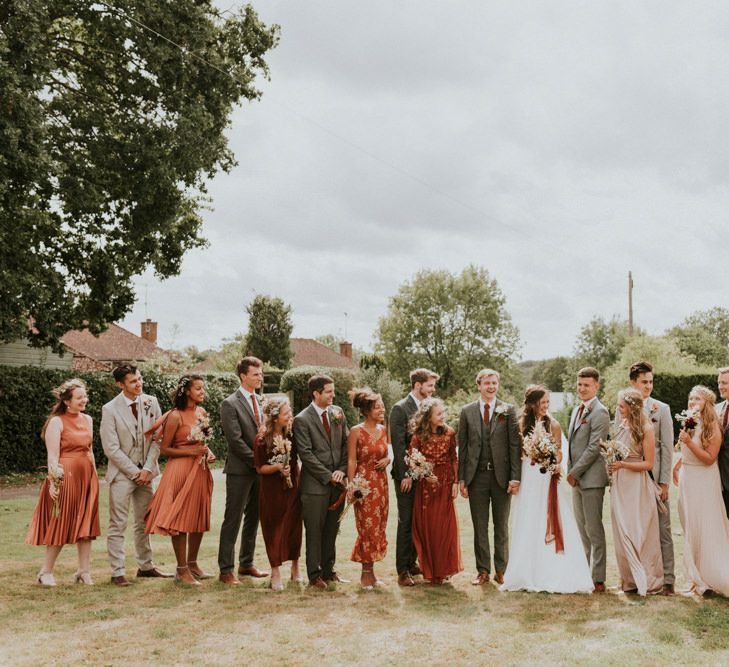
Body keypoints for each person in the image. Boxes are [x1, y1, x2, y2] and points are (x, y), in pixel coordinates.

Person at [500, 385, 593, 594]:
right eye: (542, 403)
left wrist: (551, 459)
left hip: (545, 477)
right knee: (528, 518)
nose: (545, 406)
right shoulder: (520, 424)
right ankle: (525, 570)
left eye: (547, 402)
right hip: (528, 476)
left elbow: (560, 453)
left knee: (549, 516)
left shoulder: (554, 424)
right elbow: (517, 453)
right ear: (532, 404)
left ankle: (553, 570)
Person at [100, 365, 171, 586]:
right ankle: (118, 571)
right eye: (133, 381)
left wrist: (148, 469)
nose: (138, 384)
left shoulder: (152, 402)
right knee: (118, 523)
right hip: (122, 475)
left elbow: (158, 439)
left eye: (139, 379)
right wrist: (134, 471)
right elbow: (111, 448)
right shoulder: (110, 409)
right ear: (120, 384)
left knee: (144, 521)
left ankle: (146, 566)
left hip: (146, 473)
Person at [27, 379, 100, 585]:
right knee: (61, 522)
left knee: (87, 525)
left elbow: (90, 450)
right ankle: (45, 572)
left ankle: (84, 571)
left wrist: (94, 478)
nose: (84, 400)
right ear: (67, 401)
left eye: (85, 396)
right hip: (65, 477)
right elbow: (52, 456)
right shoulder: (56, 422)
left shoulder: (88, 420)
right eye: (79, 398)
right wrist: (53, 482)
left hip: (86, 476)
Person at [144, 375, 215, 586]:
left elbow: (201, 440)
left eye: (203, 388)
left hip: (200, 469)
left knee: (198, 518)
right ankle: (181, 569)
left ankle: (193, 564)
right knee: (180, 519)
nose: (202, 392)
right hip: (180, 470)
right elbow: (165, 449)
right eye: (198, 389)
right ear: (187, 391)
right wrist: (191, 451)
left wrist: (207, 451)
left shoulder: (201, 412)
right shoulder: (175, 416)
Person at [458, 368, 521, 586]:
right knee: (480, 525)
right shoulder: (467, 412)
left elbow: (515, 446)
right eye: (487, 383)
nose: (491, 387)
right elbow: (463, 448)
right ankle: (483, 570)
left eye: (494, 383)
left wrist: (515, 477)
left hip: (501, 478)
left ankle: (501, 570)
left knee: (501, 526)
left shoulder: (508, 410)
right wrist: (462, 479)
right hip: (476, 478)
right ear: (479, 385)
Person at [622, 361, 675, 594]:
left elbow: (667, 447)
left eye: (651, 382)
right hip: (632, 480)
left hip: (654, 478)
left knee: (663, 529)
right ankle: (638, 577)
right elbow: (620, 443)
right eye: (644, 382)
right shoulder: (622, 408)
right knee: (636, 528)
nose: (649, 386)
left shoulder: (661, 409)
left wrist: (663, 482)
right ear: (633, 383)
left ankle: (669, 580)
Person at [293, 374, 349, 589]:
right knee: (315, 531)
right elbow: (305, 455)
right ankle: (314, 574)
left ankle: (329, 570)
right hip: (315, 486)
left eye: (332, 391)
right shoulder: (302, 419)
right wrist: (328, 476)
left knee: (331, 530)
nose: (332, 395)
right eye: (328, 392)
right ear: (316, 393)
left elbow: (345, 445)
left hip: (338, 482)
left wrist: (341, 471)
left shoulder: (338, 413)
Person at [673, 385, 729, 597]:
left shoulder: (712, 425)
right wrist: (678, 465)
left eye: (697, 399)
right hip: (689, 478)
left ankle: (710, 577)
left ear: (707, 403)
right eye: (690, 398)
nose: (692, 402)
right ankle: (696, 579)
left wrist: (688, 442)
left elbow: (709, 458)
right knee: (690, 524)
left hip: (704, 480)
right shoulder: (690, 421)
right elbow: (686, 449)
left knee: (705, 526)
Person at [218, 357, 269, 585]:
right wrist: (257, 461)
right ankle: (226, 569)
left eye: (261, 374)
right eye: (256, 374)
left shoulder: (261, 400)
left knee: (254, 517)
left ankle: (246, 563)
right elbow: (235, 440)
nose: (260, 378)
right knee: (233, 518)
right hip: (240, 469)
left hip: (260, 470)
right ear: (243, 376)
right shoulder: (230, 403)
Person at [608, 388, 664, 596]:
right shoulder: (622, 424)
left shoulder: (646, 428)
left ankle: (647, 579)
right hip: (620, 482)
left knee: (636, 531)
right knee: (620, 530)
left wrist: (623, 464)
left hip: (636, 485)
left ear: (631, 407)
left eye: (621, 406)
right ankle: (628, 580)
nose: (618, 409)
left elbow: (648, 463)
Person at [389, 368, 438, 587]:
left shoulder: (429, 408)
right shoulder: (400, 409)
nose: (432, 389)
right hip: (406, 476)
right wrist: (406, 474)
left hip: (424, 475)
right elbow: (399, 447)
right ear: (418, 385)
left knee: (420, 520)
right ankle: (402, 570)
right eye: (429, 385)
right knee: (406, 521)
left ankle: (412, 562)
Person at [404, 398, 462, 585]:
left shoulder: (450, 433)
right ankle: (430, 569)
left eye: (443, 412)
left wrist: (454, 482)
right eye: (439, 413)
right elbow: (412, 459)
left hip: (445, 483)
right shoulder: (418, 436)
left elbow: (454, 458)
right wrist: (423, 473)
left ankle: (443, 569)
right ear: (428, 417)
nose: (443, 416)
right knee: (428, 527)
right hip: (426, 486)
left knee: (444, 528)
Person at [566, 367, 610, 592]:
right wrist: (569, 470)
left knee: (594, 528)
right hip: (577, 479)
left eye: (587, 385)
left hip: (591, 479)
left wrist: (575, 472)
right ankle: (583, 572)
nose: (582, 389)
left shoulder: (600, 412)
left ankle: (598, 577)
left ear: (596, 387)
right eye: (580, 384)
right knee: (581, 529)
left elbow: (595, 447)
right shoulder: (576, 410)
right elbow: (572, 445)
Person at [253, 398, 303, 591]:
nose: (290, 416)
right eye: (286, 413)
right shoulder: (261, 439)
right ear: (275, 418)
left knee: (294, 526)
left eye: (290, 412)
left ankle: (296, 567)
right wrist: (276, 467)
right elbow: (259, 468)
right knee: (273, 528)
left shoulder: (292, 434)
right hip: (272, 489)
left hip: (293, 487)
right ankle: (275, 571)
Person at [347, 388, 390, 589]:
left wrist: (388, 459)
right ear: (366, 410)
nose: (382, 410)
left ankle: (372, 573)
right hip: (364, 486)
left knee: (379, 527)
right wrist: (351, 487)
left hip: (381, 485)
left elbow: (386, 453)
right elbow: (351, 460)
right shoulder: (356, 431)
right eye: (377, 407)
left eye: (382, 407)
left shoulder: (383, 429)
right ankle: (365, 574)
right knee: (367, 528)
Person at [716, 367, 729, 519]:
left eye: (724, 383)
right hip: (717, 476)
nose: (720, 386)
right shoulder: (716, 408)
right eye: (719, 382)